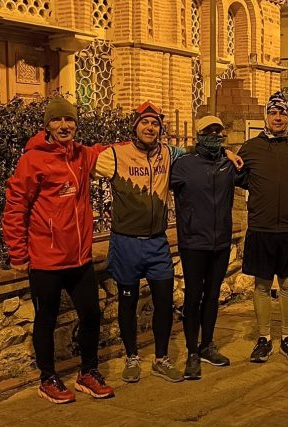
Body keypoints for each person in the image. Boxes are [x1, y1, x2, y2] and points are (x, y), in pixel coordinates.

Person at [93, 102, 241, 384]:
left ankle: (161, 359)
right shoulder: (114, 155)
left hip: (157, 242)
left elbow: (197, 152)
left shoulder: (169, 154)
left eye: (155, 124)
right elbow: (82, 163)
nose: (150, 128)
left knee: (164, 301)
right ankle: (132, 357)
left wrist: (226, 152)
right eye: (145, 122)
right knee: (128, 302)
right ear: (135, 126)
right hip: (126, 242)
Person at [2, 95, 114, 404]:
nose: (64, 125)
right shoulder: (32, 160)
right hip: (46, 260)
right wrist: (18, 254)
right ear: (47, 125)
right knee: (46, 320)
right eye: (57, 120)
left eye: (69, 120)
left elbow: (114, 151)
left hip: (79, 258)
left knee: (91, 315)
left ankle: (88, 372)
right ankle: (47, 378)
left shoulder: (82, 155)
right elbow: (15, 207)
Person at [237, 91, 288, 364]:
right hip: (261, 227)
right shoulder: (250, 147)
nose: (277, 117)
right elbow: (239, 177)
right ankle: (264, 339)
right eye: (273, 112)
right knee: (262, 285)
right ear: (266, 116)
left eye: (282, 113)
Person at [170, 115, 242, 380]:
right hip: (193, 243)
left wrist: (229, 153)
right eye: (209, 131)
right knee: (193, 297)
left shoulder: (228, 164)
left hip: (220, 242)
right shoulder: (183, 164)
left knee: (212, 295)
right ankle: (192, 351)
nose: (215, 135)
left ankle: (207, 345)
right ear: (199, 135)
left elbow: (255, 174)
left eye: (218, 131)